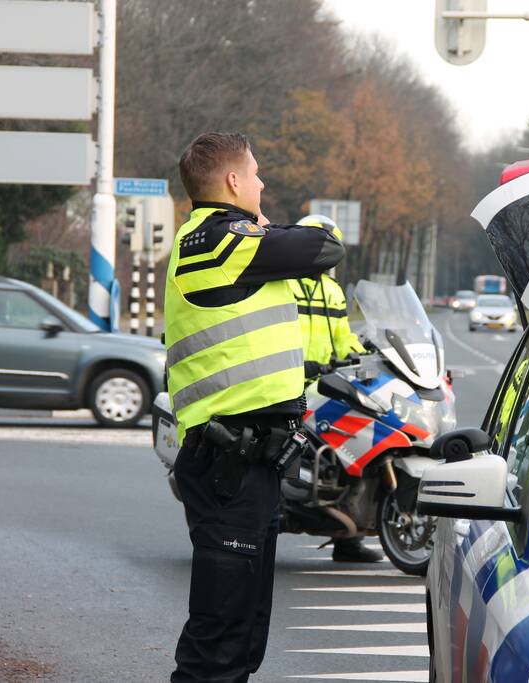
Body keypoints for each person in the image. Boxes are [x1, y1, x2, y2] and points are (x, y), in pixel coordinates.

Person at [164, 132, 343, 683]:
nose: (263, 184)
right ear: (234, 182)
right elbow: (325, 247)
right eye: (257, 173)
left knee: (243, 634)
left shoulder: (231, 244)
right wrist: (270, 229)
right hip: (228, 463)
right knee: (219, 635)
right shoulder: (215, 241)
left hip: (252, 462)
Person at [287, 214, 380, 563]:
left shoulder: (333, 290)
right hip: (288, 382)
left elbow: (341, 336)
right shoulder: (283, 283)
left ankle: (348, 538)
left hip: (324, 384)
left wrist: (364, 354)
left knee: (352, 448)